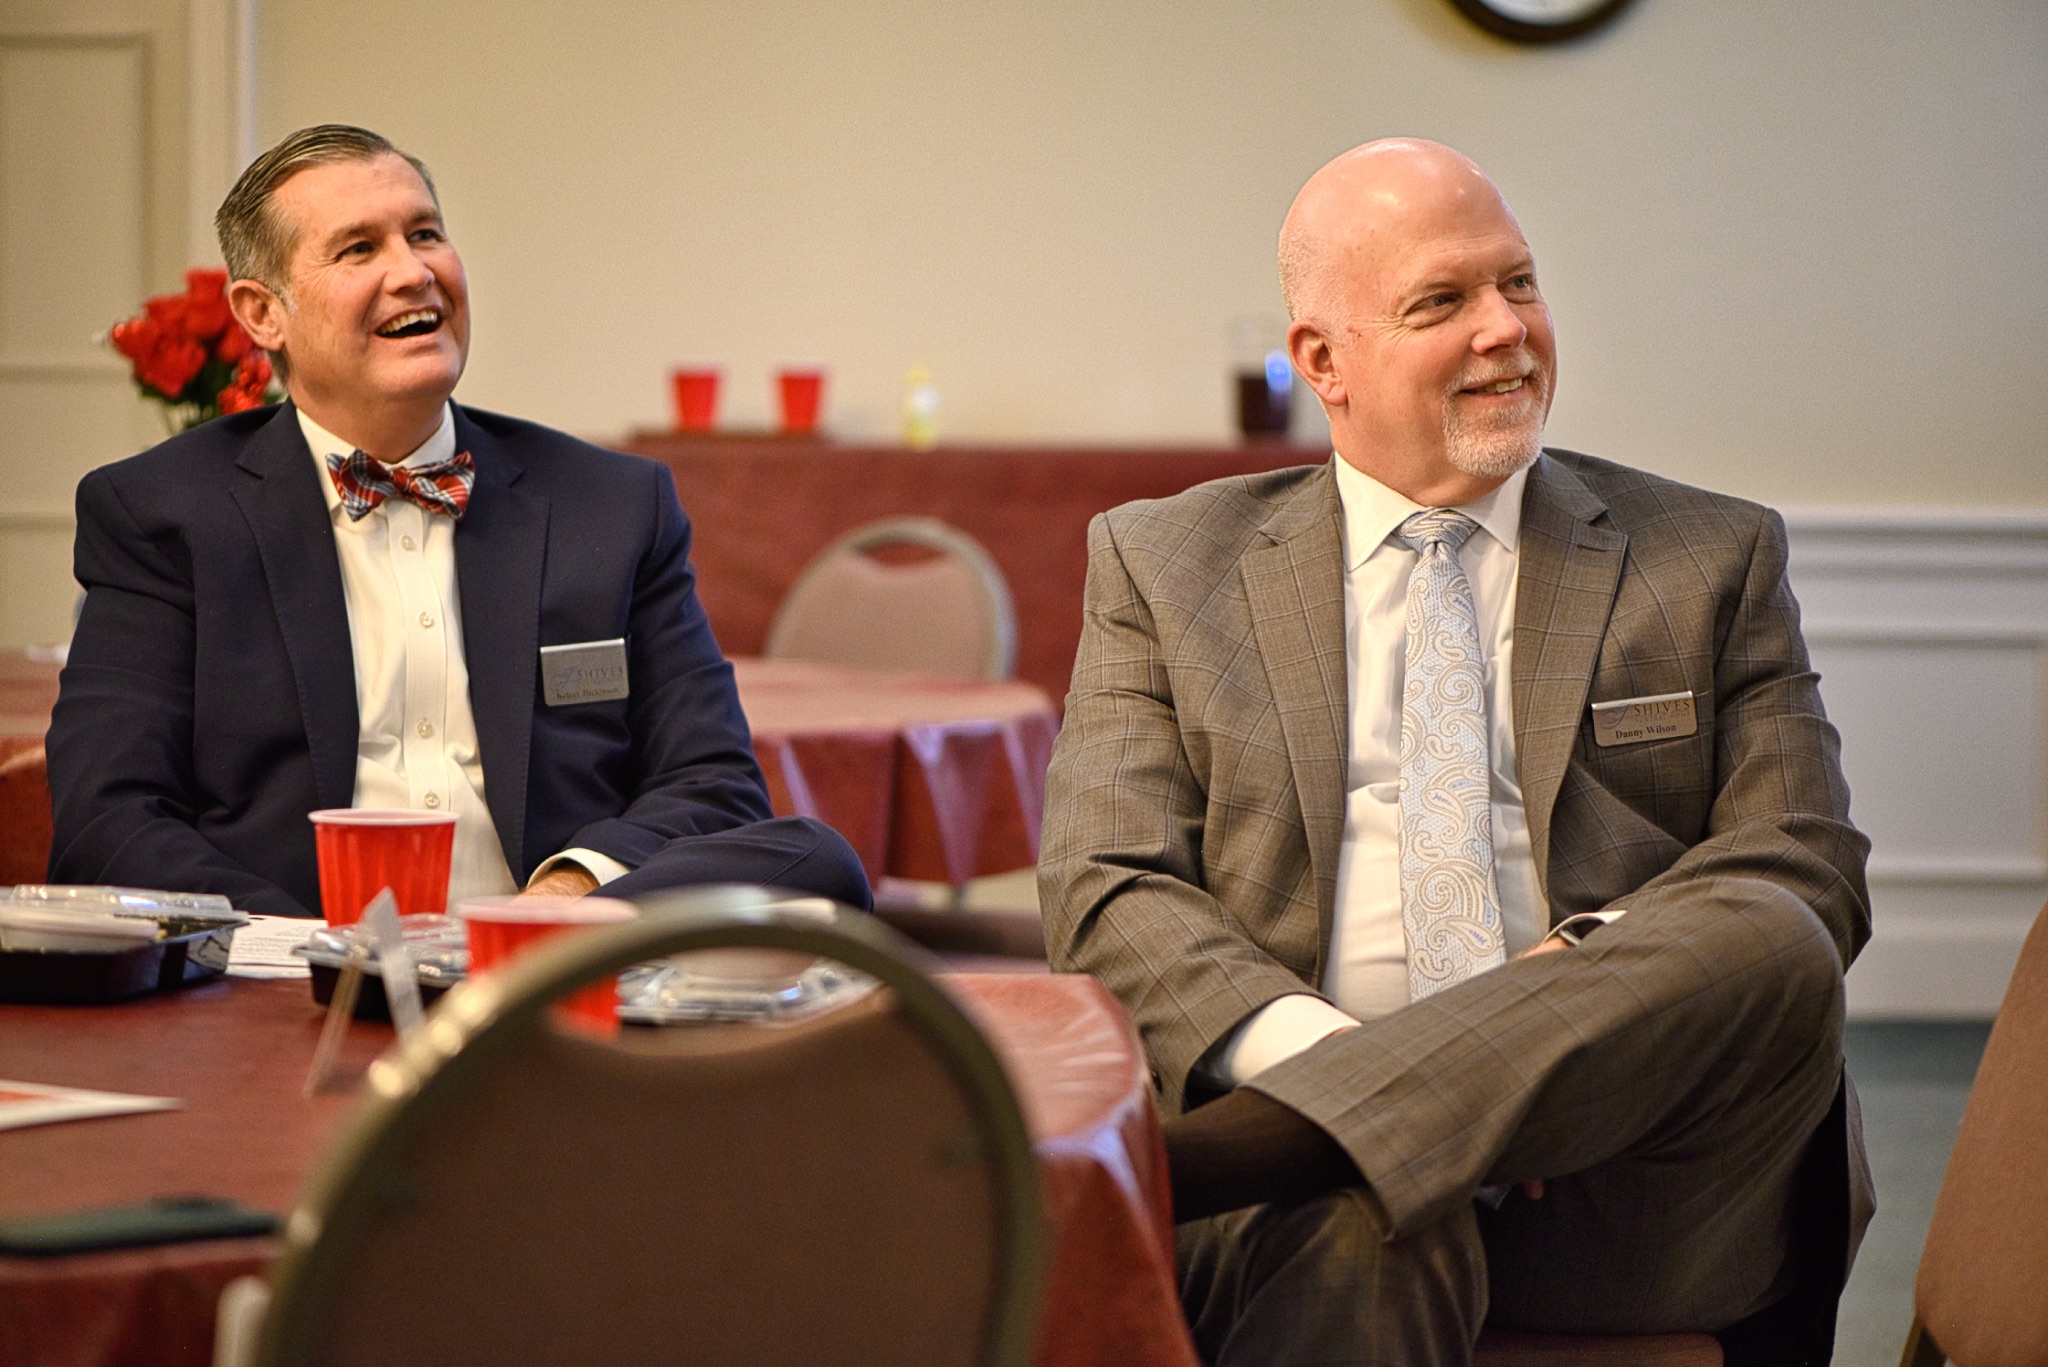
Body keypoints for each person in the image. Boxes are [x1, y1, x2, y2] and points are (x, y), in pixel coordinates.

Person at [1037, 138, 1873, 1364]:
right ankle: (1335, 1136)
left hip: (1622, 1179)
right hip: (1295, 1191)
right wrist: (1344, 1073)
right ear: (1322, 360)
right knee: (1363, 1211)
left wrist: (1550, 999)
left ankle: (1223, 1158)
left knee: (1771, 929)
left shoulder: (1707, 553)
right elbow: (1107, 878)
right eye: (1441, 301)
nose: (1506, 329)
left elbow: (1806, 862)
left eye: (1518, 283)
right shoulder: (1165, 564)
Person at [47, 124, 868, 920]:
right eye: (359, 249)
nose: (414, 272)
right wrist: (317, 953)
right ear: (263, 313)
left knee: (818, 860)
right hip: (299, 965)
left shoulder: (611, 505)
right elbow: (108, 820)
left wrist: (560, 902)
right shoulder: (163, 514)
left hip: (546, 959)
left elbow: (714, 785)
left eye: (425, 234)